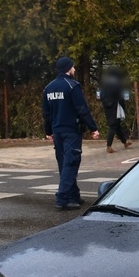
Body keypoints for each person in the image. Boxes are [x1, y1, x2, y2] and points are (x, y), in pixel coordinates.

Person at [42, 56, 99, 210]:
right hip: (71, 131)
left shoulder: (48, 88)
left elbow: (46, 113)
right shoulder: (72, 86)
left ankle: (74, 196)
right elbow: (82, 109)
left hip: (57, 131)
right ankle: (62, 198)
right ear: (68, 68)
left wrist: (48, 131)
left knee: (64, 163)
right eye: (73, 67)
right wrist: (93, 128)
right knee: (71, 162)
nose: (74, 69)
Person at [99, 66, 132, 153]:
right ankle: (108, 146)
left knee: (117, 126)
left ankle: (125, 142)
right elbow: (120, 97)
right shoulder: (116, 84)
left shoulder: (104, 84)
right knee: (113, 125)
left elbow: (101, 95)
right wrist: (123, 107)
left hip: (107, 107)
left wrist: (105, 103)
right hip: (115, 106)